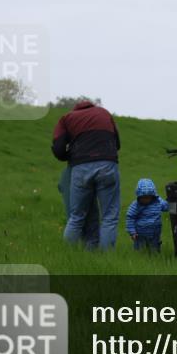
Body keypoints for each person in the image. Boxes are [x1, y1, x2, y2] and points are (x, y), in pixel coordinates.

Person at [52, 100, 121, 249]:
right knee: (109, 217)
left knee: (76, 217)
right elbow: (117, 144)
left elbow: (58, 149)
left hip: (81, 168)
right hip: (107, 165)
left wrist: (71, 156)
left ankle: (67, 255)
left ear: (76, 108)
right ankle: (106, 258)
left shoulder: (67, 118)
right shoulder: (104, 113)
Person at [57, 165, 100, 248]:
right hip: (82, 172)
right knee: (90, 223)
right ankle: (91, 251)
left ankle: (69, 250)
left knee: (75, 220)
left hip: (71, 174)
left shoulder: (67, 174)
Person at [125, 179, 168, 252]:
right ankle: (140, 256)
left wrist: (170, 200)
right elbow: (130, 218)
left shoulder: (158, 202)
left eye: (148, 197)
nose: (145, 200)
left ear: (152, 196)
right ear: (139, 196)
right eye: (143, 197)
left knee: (154, 248)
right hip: (140, 234)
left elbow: (166, 207)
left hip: (155, 232)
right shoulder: (136, 205)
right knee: (140, 249)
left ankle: (155, 255)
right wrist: (132, 232)